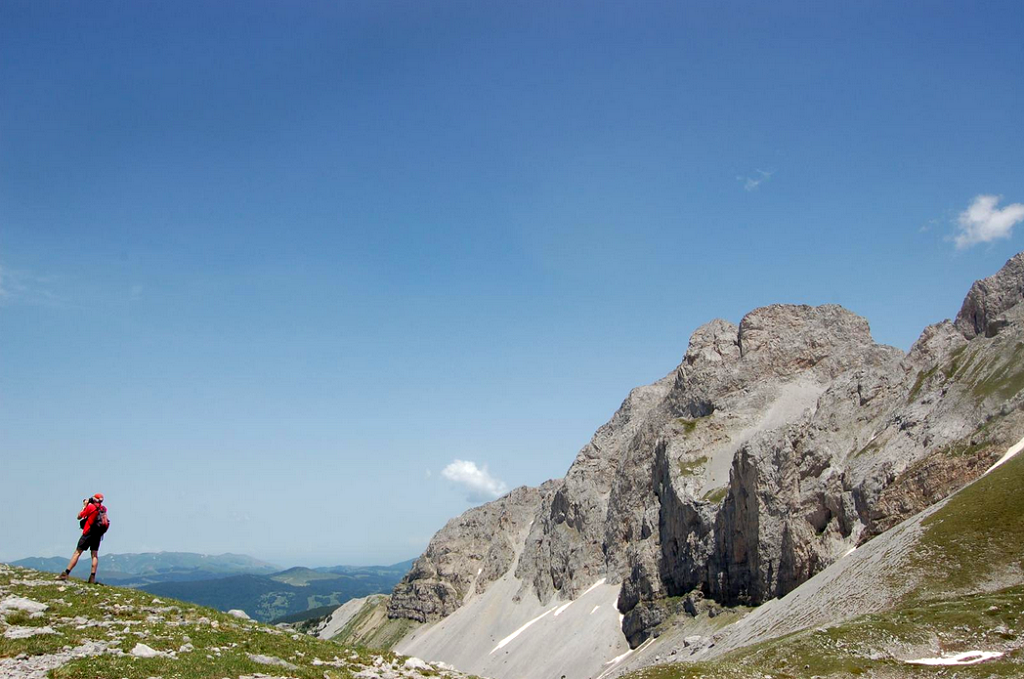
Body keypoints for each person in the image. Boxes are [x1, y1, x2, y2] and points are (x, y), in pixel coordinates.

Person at [57, 493, 107, 583]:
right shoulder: (103, 509)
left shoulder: (91, 507)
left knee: (77, 552)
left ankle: (66, 573)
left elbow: (79, 516)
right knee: (94, 555)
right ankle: (92, 578)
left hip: (88, 532)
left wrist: (84, 506)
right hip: (98, 534)